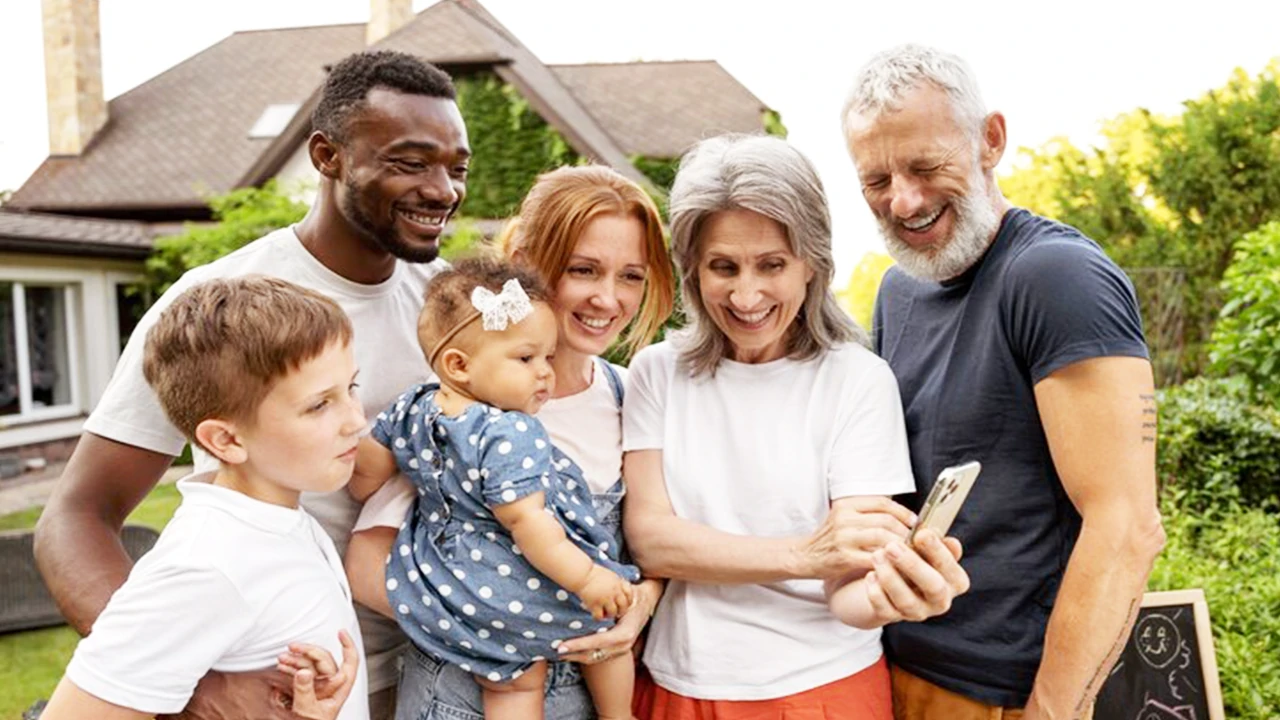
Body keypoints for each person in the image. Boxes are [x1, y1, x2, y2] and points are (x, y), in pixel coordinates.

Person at [33, 50, 470, 720]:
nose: (442, 189)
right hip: (278, 691)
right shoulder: (219, 307)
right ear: (327, 156)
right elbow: (78, 515)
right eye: (410, 162)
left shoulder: (450, 308)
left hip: (443, 674)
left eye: (455, 168)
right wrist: (192, 689)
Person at [841, 44, 1166, 719]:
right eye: (877, 179)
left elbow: (1128, 525)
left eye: (926, 166)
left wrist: (1051, 711)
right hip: (891, 671)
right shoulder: (899, 290)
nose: (903, 200)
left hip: (1009, 696)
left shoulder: (1054, 277)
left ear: (990, 140)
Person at [622, 133, 971, 719]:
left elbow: (849, 591)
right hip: (677, 686)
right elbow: (651, 540)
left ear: (812, 263)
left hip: (822, 691)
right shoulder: (657, 372)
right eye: (722, 267)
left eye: (772, 265)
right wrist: (807, 555)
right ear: (692, 269)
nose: (746, 293)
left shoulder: (857, 380)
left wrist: (894, 594)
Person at [345, 164, 676, 720]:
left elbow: (652, 545)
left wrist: (640, 603)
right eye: (584, 270)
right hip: (469, 693)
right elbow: (366, 561)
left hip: (594, 690)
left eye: (631, 276)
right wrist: (493, 620)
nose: (608, 298)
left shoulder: (629, 396)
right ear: (524, 260)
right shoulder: (461, 408)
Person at [40, 277, 366, 720]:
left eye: (351, 388)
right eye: (318, 405)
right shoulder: (208, 564)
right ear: (227, 440)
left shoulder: (276, 518)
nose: (356, 421)